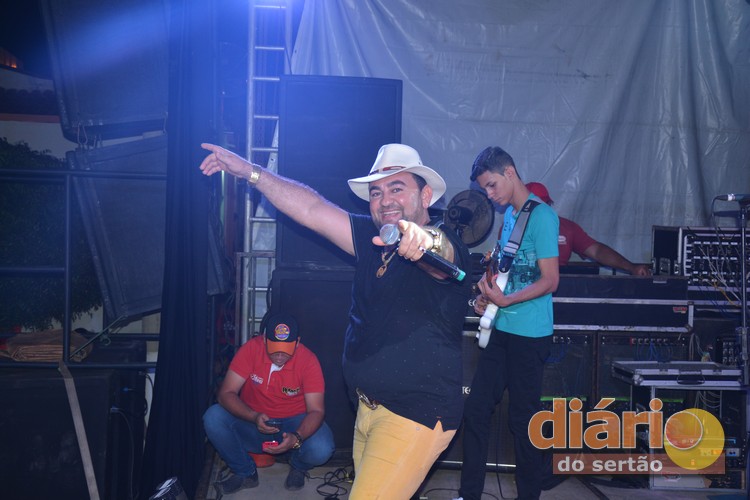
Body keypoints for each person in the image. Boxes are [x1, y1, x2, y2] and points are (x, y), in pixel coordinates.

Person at [200, 142, 472, 499]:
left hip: (414, 414)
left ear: (425, 196)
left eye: (396, 188)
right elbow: (311, 208)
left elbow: (442, 251)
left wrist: (424, 241)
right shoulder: (373, 241)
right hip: (369, 410)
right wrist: (251, 172)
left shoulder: (445, 245)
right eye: (376, 192)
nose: (385, 200)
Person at [455, 147, 559, 500]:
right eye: (484, 188)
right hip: (502, 329)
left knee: (523, 421)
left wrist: (507, 301)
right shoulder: (510, 217)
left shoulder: (542, 217)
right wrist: (486, 294)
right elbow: (503, 271)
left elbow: (550, 280)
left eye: (492, 185)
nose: (489, 194)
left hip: (530, 335)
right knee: (476, 409)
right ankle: (469, 494)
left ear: (510, 172)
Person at [203, 314, 335, 494]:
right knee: (213, 417)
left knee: (322, 448)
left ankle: (298, 465)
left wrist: (297, 438)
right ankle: (245, 472)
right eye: (274, 349)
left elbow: (317, 411)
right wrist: (253, 416)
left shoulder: (309, 360)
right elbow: (225, 394)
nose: (279, 356)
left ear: (297, 343)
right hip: (253, 421)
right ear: (264, 339)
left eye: (286, 350)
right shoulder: (251, 349)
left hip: (293, 423)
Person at [526, 182, 651, 276]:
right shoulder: (515, 229)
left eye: (544, 205)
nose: (540, 210)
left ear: (549, 205)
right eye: (534, 206)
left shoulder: (566, 228)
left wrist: (631, 267)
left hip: (559, 289)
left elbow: (597, 251)